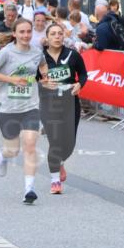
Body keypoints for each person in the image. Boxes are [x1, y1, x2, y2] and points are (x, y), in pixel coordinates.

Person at [0, 18, 46, 205]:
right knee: (12, 151)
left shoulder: (37, 52)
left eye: (28, 31)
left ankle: (29, 189)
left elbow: (42, 65)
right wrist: (12, 80)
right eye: (22, 32)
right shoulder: (6, 52)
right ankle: (3, 156)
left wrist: (46, 77)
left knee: (30, 145)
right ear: (14, 34)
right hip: (8, 107)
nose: (26, 35)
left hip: (30, 106)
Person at [39, 22, 87, 194]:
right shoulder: (40, 58)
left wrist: (79, 84)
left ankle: (60, 162)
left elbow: (83, 74)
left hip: (70, 102)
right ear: (47, 38)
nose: (57, 37)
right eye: (53, 34)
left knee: (68, 144)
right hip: (49, 104)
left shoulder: (73, 55)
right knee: (55, 142)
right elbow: (31, 78)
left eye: (60, 33)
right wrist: (42, 83)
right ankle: (55, 181)